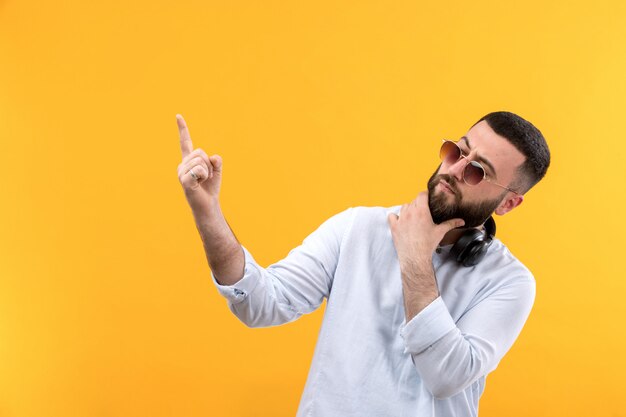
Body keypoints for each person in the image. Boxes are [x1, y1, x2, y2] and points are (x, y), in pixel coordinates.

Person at [175, 111, 550, 417]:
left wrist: (415, 258)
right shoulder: (358, 226)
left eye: (477, 171)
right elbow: (260, 304)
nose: (454, 169)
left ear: (507, 203)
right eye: (457, 151)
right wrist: (208, 214)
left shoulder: (510, 282)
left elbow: (447, 376)